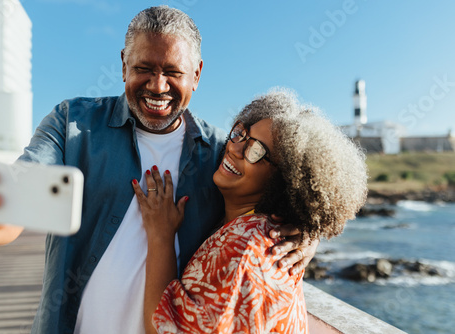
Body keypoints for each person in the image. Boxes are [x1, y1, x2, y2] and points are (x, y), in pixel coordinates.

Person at [0, 6, 318, 334]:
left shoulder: (222, 152)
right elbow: (22, 189)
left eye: (173, 73)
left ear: (197, 74)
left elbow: (280, 189)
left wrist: (306, 230)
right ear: (124, 63)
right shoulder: (72, 123)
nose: (157, 87)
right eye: (143, 68)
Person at [133, 89, 368, 333]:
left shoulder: (246, 248)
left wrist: (160, 235)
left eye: (256, 152)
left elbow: (162, 329)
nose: (235, 149)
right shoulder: (252, 228)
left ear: (286, 181)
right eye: (241, 135)